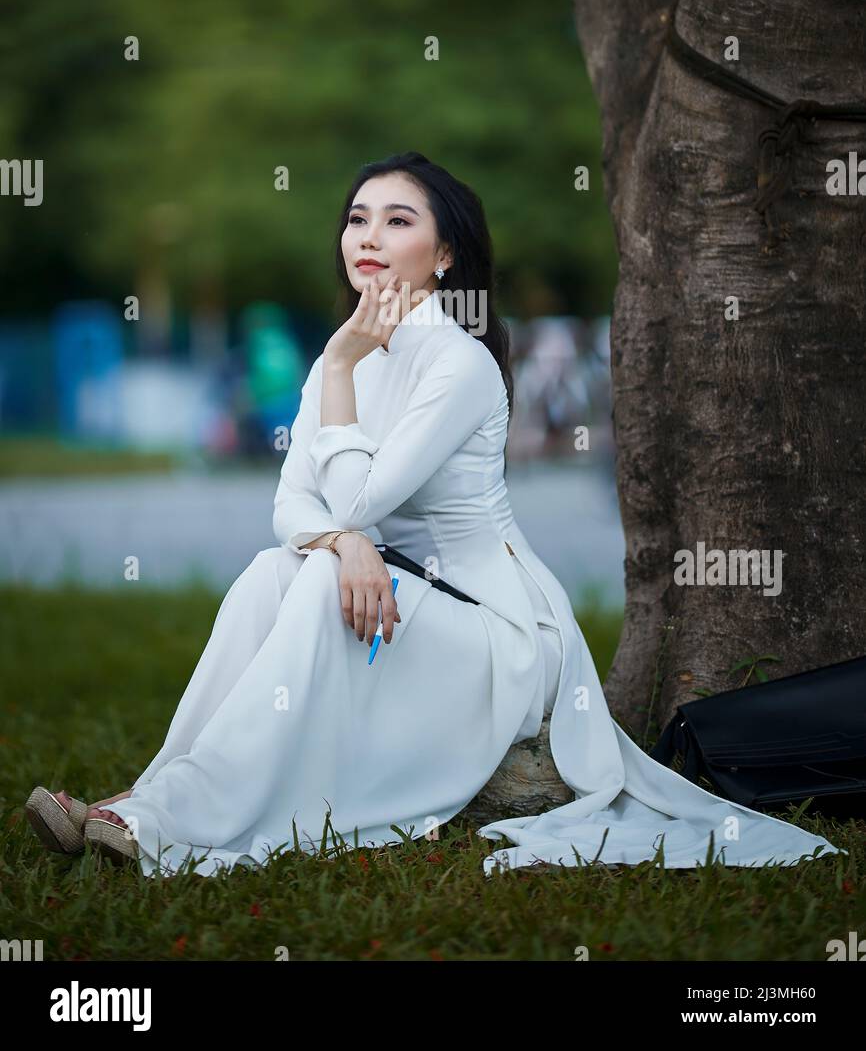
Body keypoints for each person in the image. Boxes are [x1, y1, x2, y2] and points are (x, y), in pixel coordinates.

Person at [28, 152, 844, 878]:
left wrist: (344, 498)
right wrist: (346, 541)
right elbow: (292, 507)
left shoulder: (456, 365)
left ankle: (161, 822)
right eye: (357, 218)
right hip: (400, 599)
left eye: (397, 219)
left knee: (313, 583)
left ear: (445, 255)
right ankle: (142, 797)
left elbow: (349, 499)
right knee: (271, 574)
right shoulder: (335, 360)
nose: (368, 236)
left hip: (498, 637)